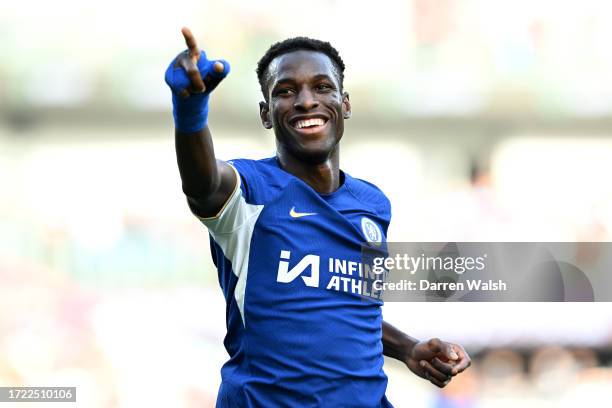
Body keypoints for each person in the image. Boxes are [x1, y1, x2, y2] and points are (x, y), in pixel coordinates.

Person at [165, 27, 471, 407]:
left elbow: (351, 309)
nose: (306, 101)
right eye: (286, 91)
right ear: (266, 113)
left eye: (322, 87)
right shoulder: (249, 191)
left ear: (344, 104)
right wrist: (191, 110)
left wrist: (408, 348)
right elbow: (203, 183)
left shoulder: (373, 205)